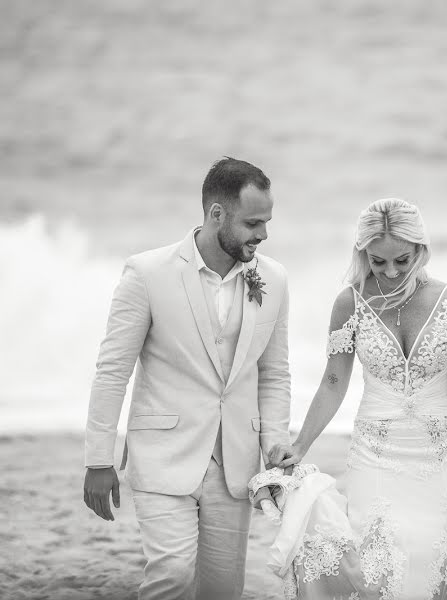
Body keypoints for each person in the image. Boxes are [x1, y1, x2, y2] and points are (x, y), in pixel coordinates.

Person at [267, 198, 447, 599]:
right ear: (363, 254)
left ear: (420, 250)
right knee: (379, 565)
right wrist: (300, 445)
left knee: (432, 562)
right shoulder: (348, 303)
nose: (389, 272)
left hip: (441, 455)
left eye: (401, 261)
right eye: (377, 261)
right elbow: (334, 381)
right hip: (376, 453)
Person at [82, 157, 292, 600]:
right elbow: (113, 369)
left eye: (267, 221)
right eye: (253, 222)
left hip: (234, 463)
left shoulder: (273, 279)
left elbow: (273, 374)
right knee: (173, 575)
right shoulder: (147, 273)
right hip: (163, 454)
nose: (264, 234)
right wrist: (98, 459)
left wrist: (274, 447)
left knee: (221, 590)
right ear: (217, 214)